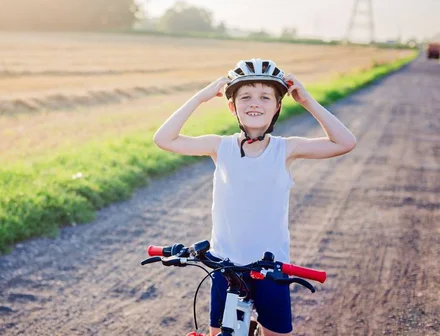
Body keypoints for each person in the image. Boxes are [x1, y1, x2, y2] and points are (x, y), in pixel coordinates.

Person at [153, 59, 357, 336]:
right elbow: (164, 138)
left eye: (265, 97)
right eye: (245, 96)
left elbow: (345, 142)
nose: (255, 103)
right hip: (224, 266)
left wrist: (307, 100)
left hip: (270, 268)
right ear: (232, 106)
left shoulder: (286, 149)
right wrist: (201, 97)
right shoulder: (220, 146)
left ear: (277, 106)